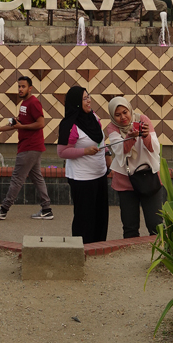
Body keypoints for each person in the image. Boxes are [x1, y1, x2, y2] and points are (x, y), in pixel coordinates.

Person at [0, 75, 53, 221]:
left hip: (30, 147)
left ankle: (3, 210)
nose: (20, 89)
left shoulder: (34, 103)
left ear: (30, 88)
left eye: (23, 86)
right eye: (19, 86)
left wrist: (21, 126)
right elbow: (16, 124)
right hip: (31, 147)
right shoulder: (24, 104)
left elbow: (41, 123)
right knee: (37, 178)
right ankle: (47, 209)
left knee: (17, 178)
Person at [56, 85, 109, 244]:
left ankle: (98, 247)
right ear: (77, 102)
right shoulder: (70, 125)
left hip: (100, 174)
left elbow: (101, 141)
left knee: (100, 216)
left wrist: (108, 156)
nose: (89, 101)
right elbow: (62, 152)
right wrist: (84, 151)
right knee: (84, 218)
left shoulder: (94, 117)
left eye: (89, 96)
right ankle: (83, 249)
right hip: (82, 178)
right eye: (85, 98)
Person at [105, 96, 164, 238]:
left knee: (156, 224)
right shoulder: (112, 127)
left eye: (125, 112)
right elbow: (120, 151)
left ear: (130, 109)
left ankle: (160, 256)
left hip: (149, 177)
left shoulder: (142, 119)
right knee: (130, 227)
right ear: (113, 116)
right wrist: (130, 138)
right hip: (125, 180)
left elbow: (155, 149)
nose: (123, 117)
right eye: (117, 115)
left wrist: (145, 136)